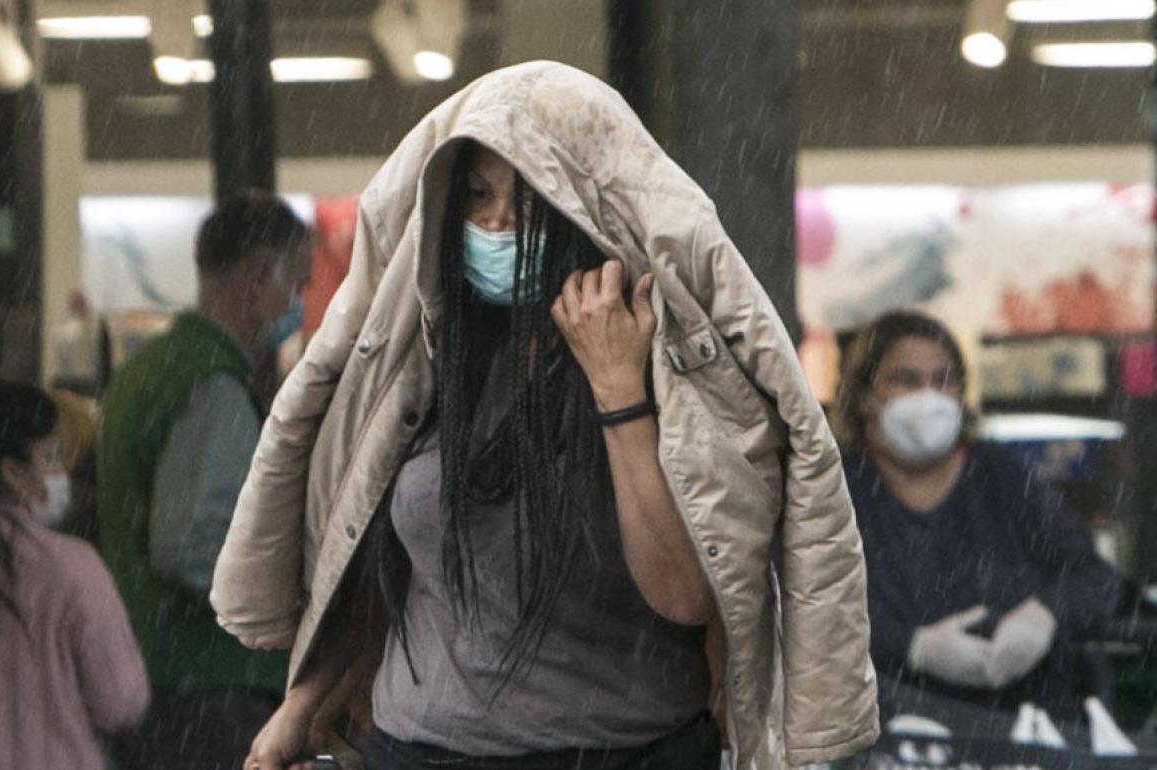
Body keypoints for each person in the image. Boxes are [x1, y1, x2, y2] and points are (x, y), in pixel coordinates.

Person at [211, 62, 879, 770]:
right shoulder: (429, 351)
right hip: (418, 750)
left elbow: (685, 593)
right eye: (475, 196)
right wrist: (305, 705)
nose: (497, 225)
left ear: (581, 206)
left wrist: (617, 385)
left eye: (527, 200)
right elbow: (398, 571)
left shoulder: (665, 358)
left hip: (621, 753)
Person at [96, 190, 311, 769]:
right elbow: (189, 544)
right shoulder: (212, 384)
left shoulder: (148, 368)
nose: (300, 302)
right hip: (209, 687)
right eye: (300, 283)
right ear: (260, 277)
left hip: (153, 670)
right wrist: (286, 603)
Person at [831, 310, 1120, 724]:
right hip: (894, 731)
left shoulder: (1000, 477)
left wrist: (1044, 615)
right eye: (905, 380)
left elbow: (1096, 580)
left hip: (1028, 727)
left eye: (943, 380)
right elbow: (810, 618)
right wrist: (913, 648)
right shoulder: (840, 495)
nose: (928, 396)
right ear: (862, 397)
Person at [0, 376, 149, 770]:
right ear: (15, 473)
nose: (62, 473)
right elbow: (122, 701)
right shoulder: (71, 570)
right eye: (51, 457)